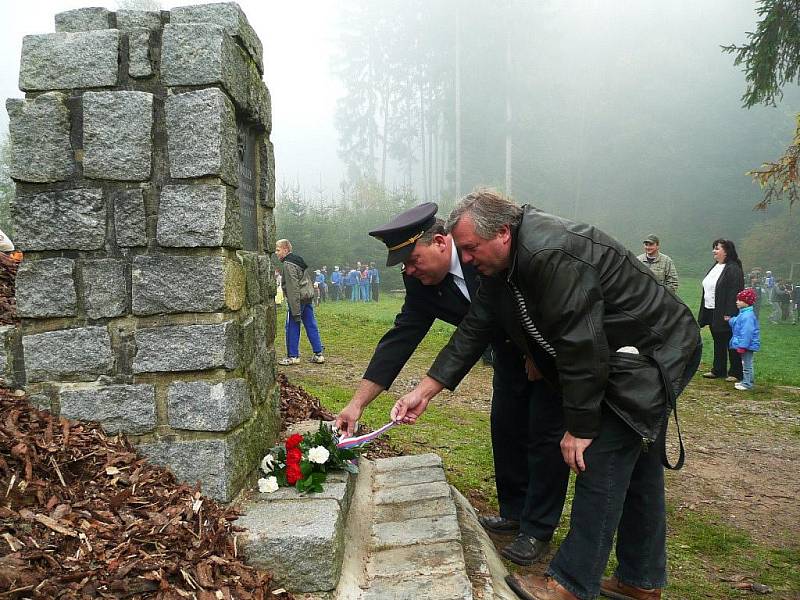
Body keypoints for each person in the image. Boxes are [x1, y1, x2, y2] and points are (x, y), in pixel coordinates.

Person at [391, 189, 701, 600]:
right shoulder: (501, 266)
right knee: (639, 466)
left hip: (653, 351)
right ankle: (639, 582)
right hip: (619, 355)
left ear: (502, 232)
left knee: (601, 456)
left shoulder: (551, 252)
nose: (465, 260)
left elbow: (580, 344)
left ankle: (570, 585)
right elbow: (474, 330)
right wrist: (425, 390)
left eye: (470, 248)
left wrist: (580, 427)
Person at [334, 202, 569, 565]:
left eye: (412, 259)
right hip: (505, 357)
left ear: (442, 243)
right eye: (404, 266)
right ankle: (513, 511)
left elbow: (542, 295)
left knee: (543, 433)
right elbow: (401, 338)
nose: (409, 271)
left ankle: (536, 529)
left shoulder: (483, 251)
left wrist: (539, 351)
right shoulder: (420, 282)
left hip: (543, 348)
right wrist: (357, 403)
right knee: (506, 427)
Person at [698, 239, 744, 382]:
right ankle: (718, 370)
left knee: (731, 341)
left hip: (725, 312)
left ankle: (736, 373)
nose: (714, 251)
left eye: (717, 248)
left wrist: (730, 313)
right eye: (714, 248)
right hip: (711, 309)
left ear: (726, 250)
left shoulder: (733, 268)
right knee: (718, 340)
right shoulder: (716, 266)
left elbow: (734, 292)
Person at [275, 239, 325, 365]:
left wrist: (295, 309)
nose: (276, 253)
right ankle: (318, 354)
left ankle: (293, 356)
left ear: (286, 250)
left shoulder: (288, 264)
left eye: (278, 250)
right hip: (307, 297)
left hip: (298, 299)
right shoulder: (298, 260)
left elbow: (292, 288)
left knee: (292, 325)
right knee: (310, 324)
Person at [725, 288, 760, 391]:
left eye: (740, 300)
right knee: (747, 363)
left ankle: (747, 384)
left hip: (747, 345)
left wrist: (742, 346)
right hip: (746, 345)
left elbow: (747, 333)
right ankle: (749, 381)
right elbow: (738, 321)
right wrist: (731, 320)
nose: (737, 302)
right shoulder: (744, 314)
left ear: (747, 302)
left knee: (746, 365)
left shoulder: (747, 316)